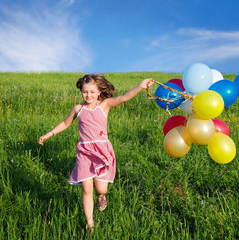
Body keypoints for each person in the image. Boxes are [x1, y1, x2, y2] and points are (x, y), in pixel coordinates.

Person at [38, 74, 154, 231]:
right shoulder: (78, 109)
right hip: (84, 152)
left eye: (92, 92)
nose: (88, 95)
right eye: (85, 92)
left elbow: (124, 98)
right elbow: (65, 123)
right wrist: (49, 134)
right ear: (81, 91)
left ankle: (101, 196)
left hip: (102, 152)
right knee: (87, 189)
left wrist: (140, 87)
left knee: (101, 188)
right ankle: (90, 223)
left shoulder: (104, 105)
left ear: (99, 91)